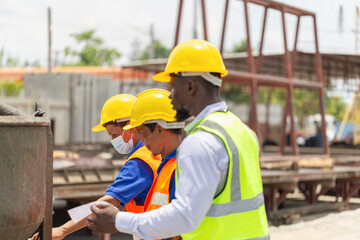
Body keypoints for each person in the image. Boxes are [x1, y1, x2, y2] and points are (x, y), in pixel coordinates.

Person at [87, 39, 269, 240]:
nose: (171, 98)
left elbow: (185, 216)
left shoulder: (201, 141)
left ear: (190, 86)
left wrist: (119, 221)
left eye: (173, 87)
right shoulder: (242, 131)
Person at [32, 94, 161, 240]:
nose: (113, 141)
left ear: (130, 127)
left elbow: (106, 203)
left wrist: (62, 230)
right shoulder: (152, 152)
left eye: (114, 135)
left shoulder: (140, 162)